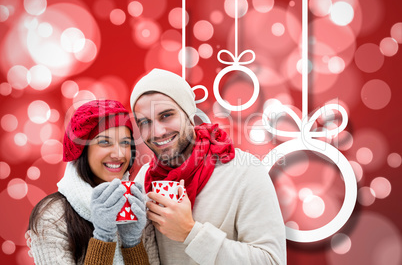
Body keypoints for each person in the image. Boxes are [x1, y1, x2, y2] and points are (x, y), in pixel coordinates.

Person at [130, 69, 287, 264]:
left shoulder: (245, 172)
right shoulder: (144, 178)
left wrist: (190, 233)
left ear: (188, 113)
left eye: (166, 116)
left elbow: (272, 261)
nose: (157, 132)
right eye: (144, 122)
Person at [28, 100, 155, 264]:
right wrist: (103, 237)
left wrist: (132, 242)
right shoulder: (52, 217)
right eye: (104, 142)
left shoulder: (137, 207)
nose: (119, 154)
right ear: (82, 149)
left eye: (125, 143)